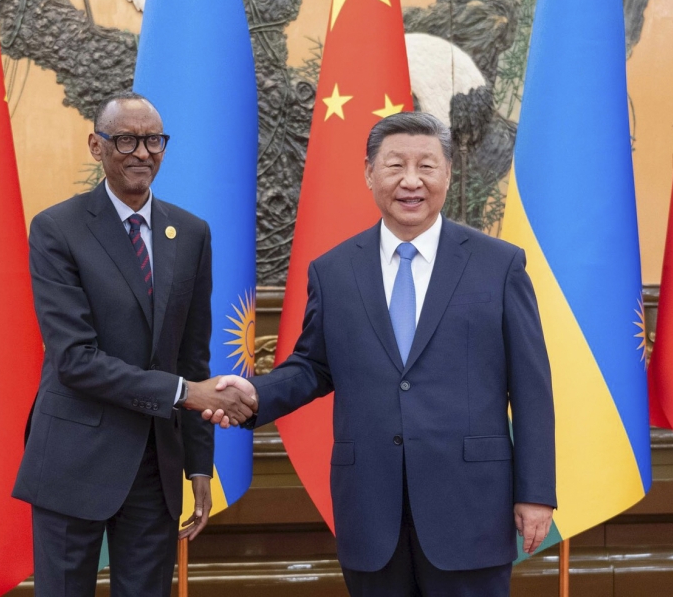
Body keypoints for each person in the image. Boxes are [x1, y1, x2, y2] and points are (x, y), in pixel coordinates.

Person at [202, 111, 556, 596]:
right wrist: (255, 394)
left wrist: (536, 494)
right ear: (369, 174)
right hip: (371, 507)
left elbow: (532, 387)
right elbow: (314, 366)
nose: (411, 181)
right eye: (395, 166)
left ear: (448, 175)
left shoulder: (499, 265)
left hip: (470, 506)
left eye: (426, 166)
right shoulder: (334, 271)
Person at [12, 91, 256, 597]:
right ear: (96, 146)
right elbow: (76, 361)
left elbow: (193, 356)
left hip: (155, 465)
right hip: (73, 458)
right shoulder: (57, 229)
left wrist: (198, 465)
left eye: (153, 140)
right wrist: (185, 393)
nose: (142, 153)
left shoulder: (190, 233)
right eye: (126, 139)